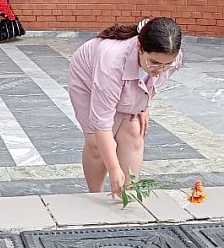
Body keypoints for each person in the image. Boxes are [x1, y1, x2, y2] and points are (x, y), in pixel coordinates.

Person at [68, 17, 183, 198]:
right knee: (96, 143)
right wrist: (114, 168)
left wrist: (143, 106)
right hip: (87, 78)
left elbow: (153, 82)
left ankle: (128, 193)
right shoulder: (111, 63)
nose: (160, 70)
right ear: (139, 47)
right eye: (154, 63)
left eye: (167, 65)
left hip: (121, 79)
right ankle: (95, 196)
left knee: (133, 131)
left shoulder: (172, 57)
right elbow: (102, 124)